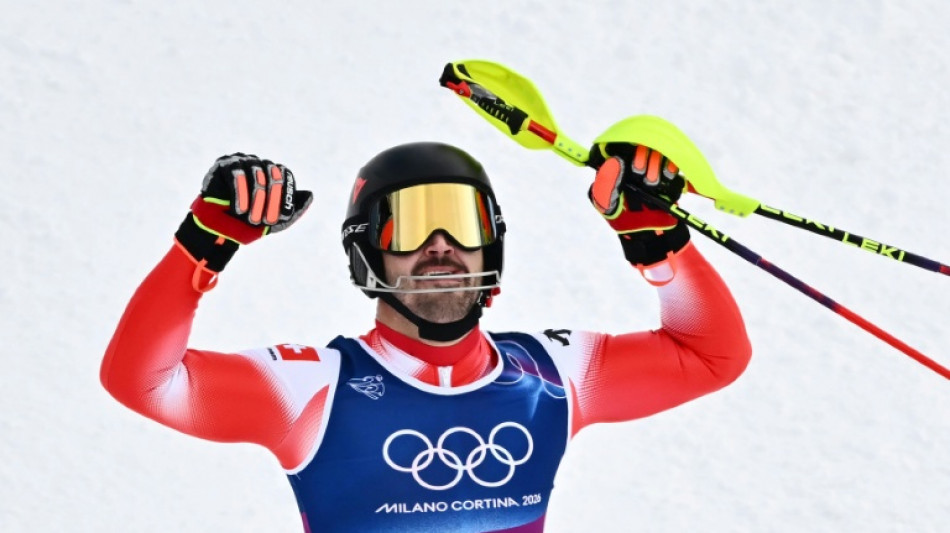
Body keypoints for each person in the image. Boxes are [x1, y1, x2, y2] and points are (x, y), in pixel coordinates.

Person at [101, 139, 752, 532]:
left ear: (492, 243)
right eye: (409, 226)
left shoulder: (552, 374)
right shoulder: (315, 388)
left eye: (461, 224)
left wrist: (659, 246)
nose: (441, 247)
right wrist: (203, 244)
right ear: (367, 256)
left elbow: (713, 355)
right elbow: (142, 380)